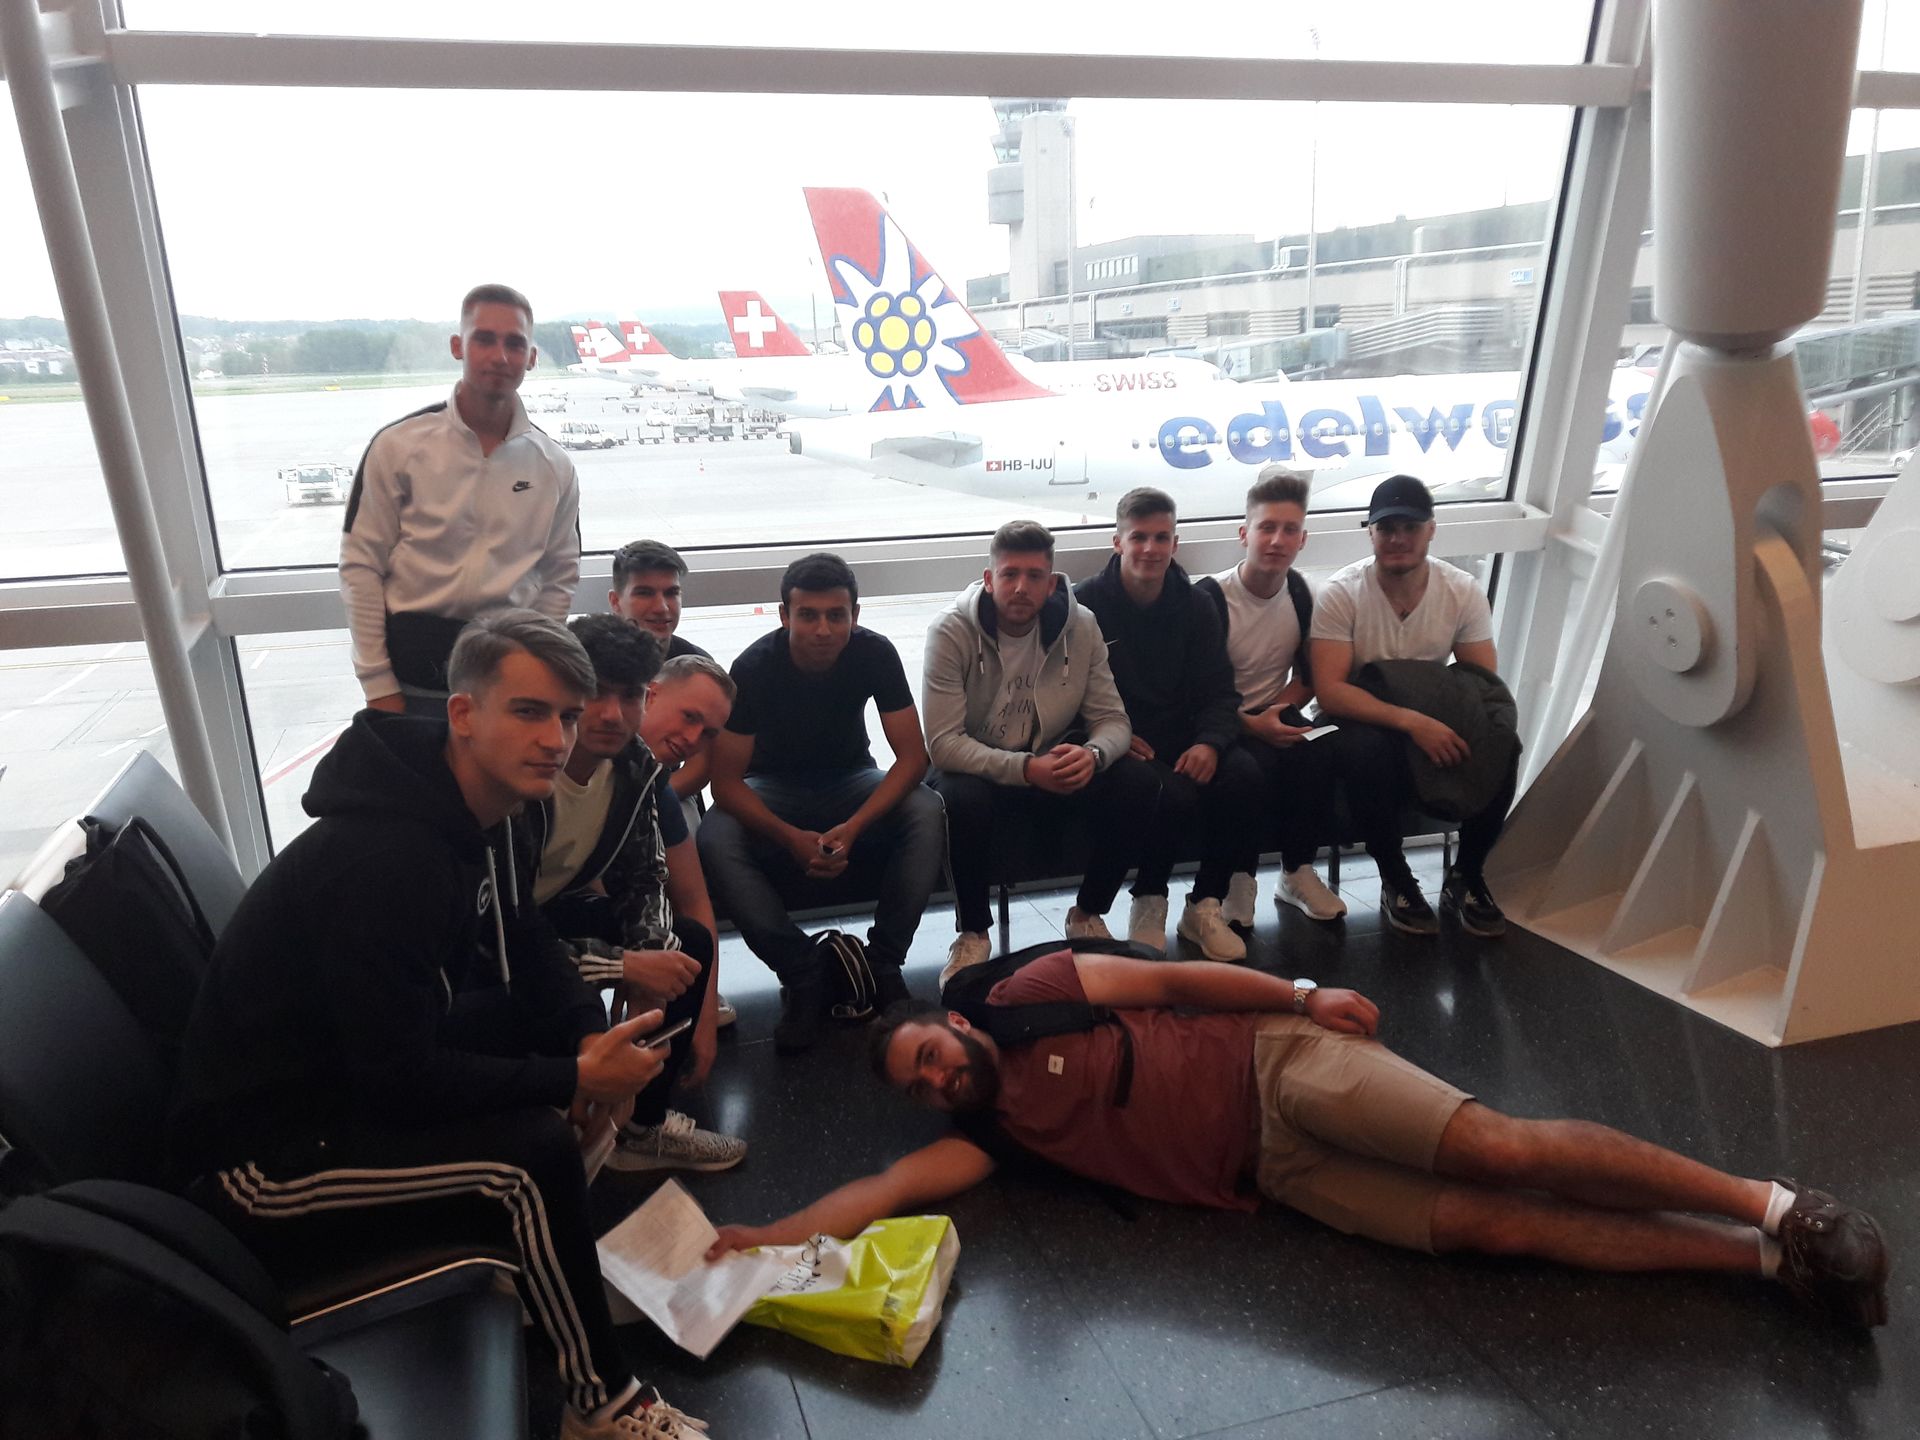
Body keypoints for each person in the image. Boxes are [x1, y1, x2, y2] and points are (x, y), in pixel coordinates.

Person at [707, 950, 1891, 1332]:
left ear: (952, 1024)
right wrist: (767, 1236)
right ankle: (1759, 1264)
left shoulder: (1031, 992)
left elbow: (1175, 978)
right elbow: (885, 1188)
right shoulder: (993, 1136)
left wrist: (1302, 992)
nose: (937, 1078)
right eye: (922, 1086)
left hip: (1278, 1062)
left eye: (928, 1053)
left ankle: (1777, 1204)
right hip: (1277, 1173)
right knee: (1493, 1229)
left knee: (1501, 1150)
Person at [170, 610, 705, 1439]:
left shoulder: (480, 807)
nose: (556, 738)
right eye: (529, 711)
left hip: (345, 1082)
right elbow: (399, 1079)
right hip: (262, 1161)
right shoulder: (388, 860)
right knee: (531, 1159)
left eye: (567, 716)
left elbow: (525, 934)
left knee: (535, 1037)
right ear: (463, 713)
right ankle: (601, 1401)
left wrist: (581, 1039)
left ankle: (542, 1269)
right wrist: (574, 1077)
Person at [511, 614, 745, 1175]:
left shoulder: (637, 769)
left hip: (549, 915)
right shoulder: (524, 768)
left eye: (629, 695)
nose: (613, 713)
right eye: (597, 692)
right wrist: (623, 966)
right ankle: (561, 1108)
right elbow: (502, 931)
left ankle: (641, 1123)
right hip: (491, 943)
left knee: (684, 944)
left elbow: (645, 879)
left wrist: (650, 974)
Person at [698, 552, 944, 1052]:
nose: (823, 629)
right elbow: (725, 785)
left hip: (851, 778)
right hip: (771, 786)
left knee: (925, 808)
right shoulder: (754, 666)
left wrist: (855, 827)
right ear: (784, 615)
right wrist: (790, 838)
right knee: (715, 834)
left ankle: (883, 963)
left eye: (837, 615)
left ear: (856, 614)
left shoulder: (874, 652)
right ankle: (802, 972)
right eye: (808, 615)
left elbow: (912, 759)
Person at [922, 520, 1153, 982]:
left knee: (1139, 781)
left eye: (1033, 576)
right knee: (960, 797)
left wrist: (1092, 755)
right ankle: (973, 933)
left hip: (1051, 761)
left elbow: (1114, 721)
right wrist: (1027, 769)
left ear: (1051, 584)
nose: (1020, 587)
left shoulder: (1081, 626)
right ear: (989, 580)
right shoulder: (951, 631)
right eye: (1009, 574)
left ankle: (1087, 914)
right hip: (979, 768)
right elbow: (943, 744)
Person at [340, 284, 581, 715]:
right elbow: (361, 566)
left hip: (506, 687)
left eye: (515, 344)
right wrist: (377, 684)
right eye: (484, 339)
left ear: (531, 357)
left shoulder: (554, 465)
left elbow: (560, 574)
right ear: (458, 346)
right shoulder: (398, 447)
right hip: (410, 685)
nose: (500, 356)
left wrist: (537, 664)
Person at [1309, 474, 1514, 937]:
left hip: (1432, 708)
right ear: (1371, 533)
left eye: (1410, 527)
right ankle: (1395, 876)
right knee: (1365, 751)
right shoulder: (1342, 592)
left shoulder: (1461, 590)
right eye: (1386, 528)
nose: (1397, 538)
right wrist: (1412, 722)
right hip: (1360, 715)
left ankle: (1468, 874)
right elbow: (1332, 692)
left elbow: (1481, 685)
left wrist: (1441, 723)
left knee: (1502, 741)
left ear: (1431, 530)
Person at [1074, 488, 1264, 961]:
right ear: (1117, 542)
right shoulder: (1085, 605)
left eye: (1161, 538)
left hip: (1186, 734)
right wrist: (1111, 737)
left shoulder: (1196, 605)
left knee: (1244, 775)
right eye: (1138, 537)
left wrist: (1211, 743)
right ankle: (1149, 900)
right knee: (1170, 793)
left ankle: (1204, 905)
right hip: (1120, 739)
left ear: (1175, 544)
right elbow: (1068, 693)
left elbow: (1220, 690)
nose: (1150, 548)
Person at [1194, 468, 1346, 927]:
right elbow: (1190, 692)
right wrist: (1249, 722)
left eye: (1289, 530)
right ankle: (1239, 877)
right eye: (1266, 528)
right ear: (1245, 534)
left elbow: (1309, 675)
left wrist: (1275, 711)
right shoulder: (1209, 599)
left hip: (1272, 711)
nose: (1277, 540)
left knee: (1323, 751)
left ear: (1303, 540)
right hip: (1216, 721)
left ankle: (1297, 871)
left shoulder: (1302, 593)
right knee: (1247, 772)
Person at [606, 540, 738, 1029]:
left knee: (678, 836)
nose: (661, 607)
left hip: (667, 791)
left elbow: (701, 766)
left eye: (672, 593)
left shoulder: (695, 664)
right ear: (616, 601)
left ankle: (687, 978)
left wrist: (649, 800)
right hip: (602, 789)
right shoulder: (593, 658)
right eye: (645, 593)